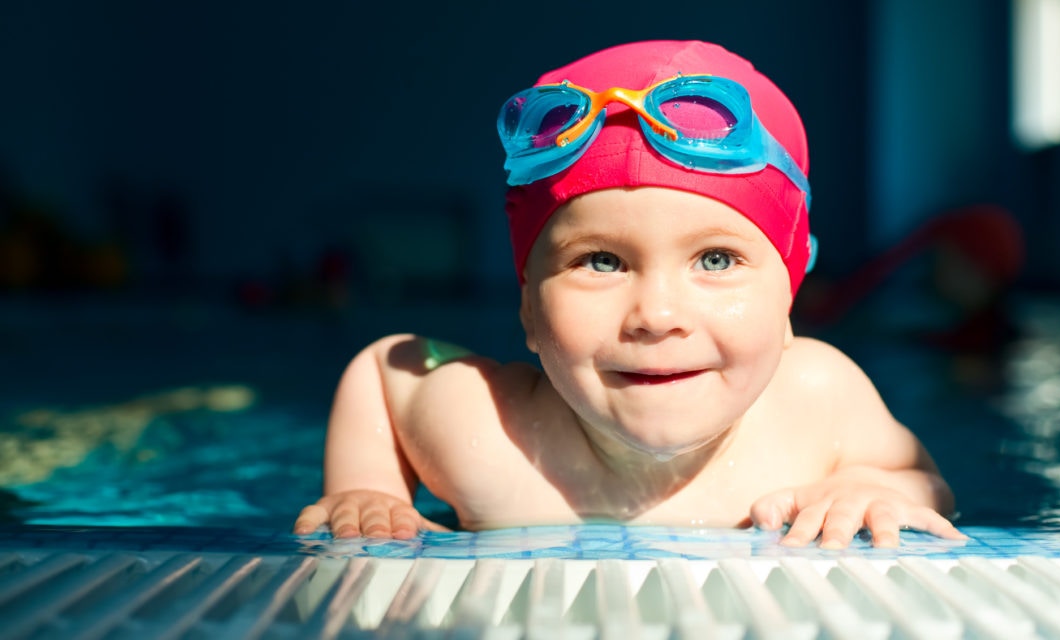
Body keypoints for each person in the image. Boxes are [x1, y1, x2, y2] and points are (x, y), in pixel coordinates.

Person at [293, 40, 964, 549]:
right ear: (528, 304)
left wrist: (868, 488)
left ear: (789, 296)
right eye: (603, 261)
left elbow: (923, 483)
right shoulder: (486, 437)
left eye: (716, 258)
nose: (657, 317)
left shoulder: (820, 399)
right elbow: (390, 366)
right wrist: (371, 488)